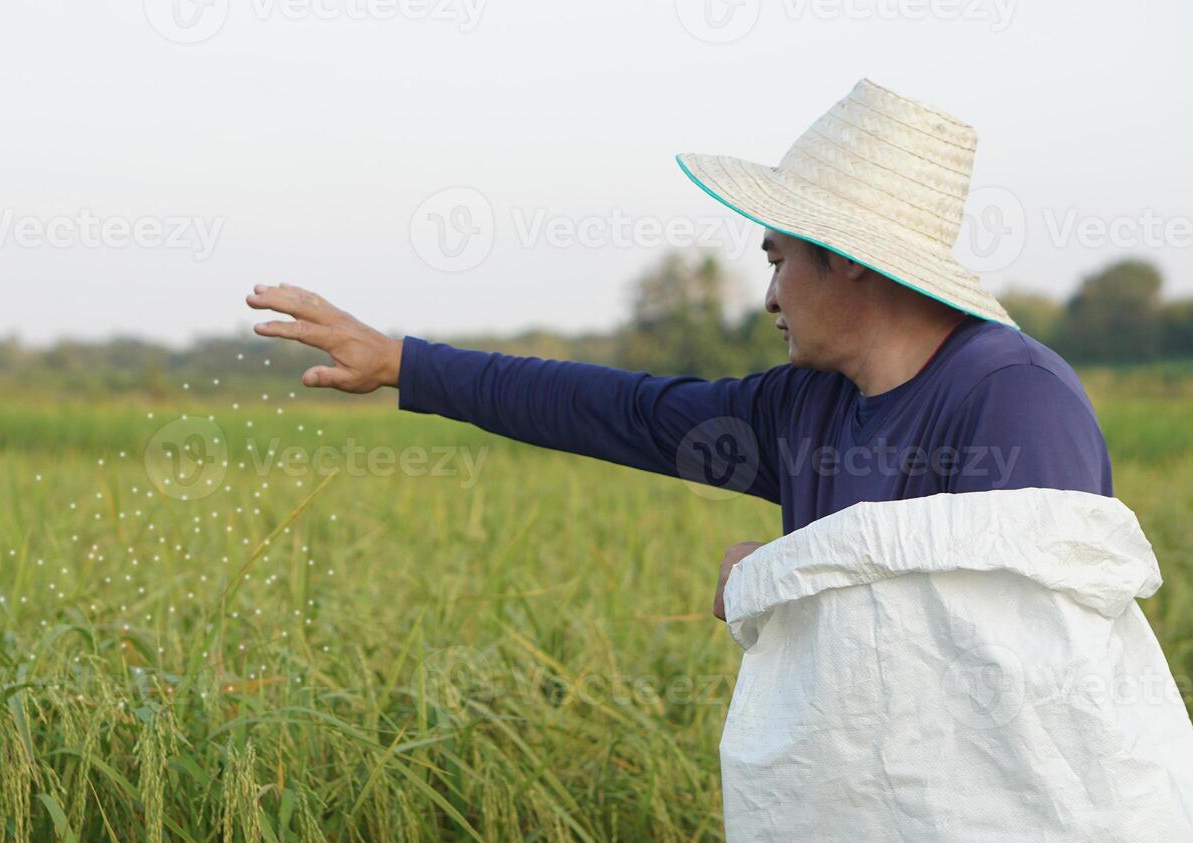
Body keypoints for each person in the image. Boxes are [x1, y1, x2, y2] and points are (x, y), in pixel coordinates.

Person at [245, 78, 1113, 623]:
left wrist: (777, 573)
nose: (769, 297)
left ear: (847, 258)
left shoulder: (1014, 399)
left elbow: (1020, 649)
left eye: (777, 261)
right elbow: (620, 410)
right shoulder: (805, 405)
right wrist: (402, 361)